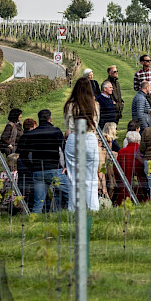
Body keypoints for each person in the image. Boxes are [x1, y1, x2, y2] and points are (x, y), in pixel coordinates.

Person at [16, 109, 70, 213]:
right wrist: (66, 165)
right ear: (50, 118)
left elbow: (22, 155)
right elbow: (64, 149)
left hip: (38, 171)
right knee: (70, 194)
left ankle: (34, 224)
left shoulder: (31, 134)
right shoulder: (56, 131)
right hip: (55, 169)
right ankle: (70, 216)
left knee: (38, 202)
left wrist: (31, 167)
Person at [63, 76, 101, 211]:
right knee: (91, 177)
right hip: (89, 137)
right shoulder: (94, 105)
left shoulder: (69, 105)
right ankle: (93, 208)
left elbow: (67, 125)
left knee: (73, 178)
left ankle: (74, 208)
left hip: (74, 138)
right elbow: (96, 124)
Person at [115, 131, 146, 205]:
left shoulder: (122, 151)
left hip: (125, 183)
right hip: (140, 181)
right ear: (139, 140)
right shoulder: (141, 151)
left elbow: (117, 168)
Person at [97, 122, 120, 202]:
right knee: (111, 183)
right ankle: (108, 201)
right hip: (107, 163)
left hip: (104, 163)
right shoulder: (110, 141)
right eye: (115, 128)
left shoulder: (102, 138)